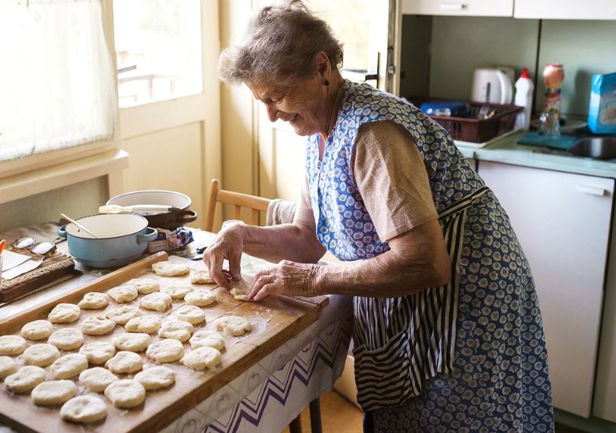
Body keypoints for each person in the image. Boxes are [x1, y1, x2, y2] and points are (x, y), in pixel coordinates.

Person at [204, 2, 554, 432]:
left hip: (467, 302)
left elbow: (425, 261)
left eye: (276, 97)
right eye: (262, 101)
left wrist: (311, 279)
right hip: (419, 299)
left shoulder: (374, 134)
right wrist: (241, 233)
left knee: (454, 419)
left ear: (321, 67)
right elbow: (306, 237)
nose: (271, 115)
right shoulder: (318, 129)